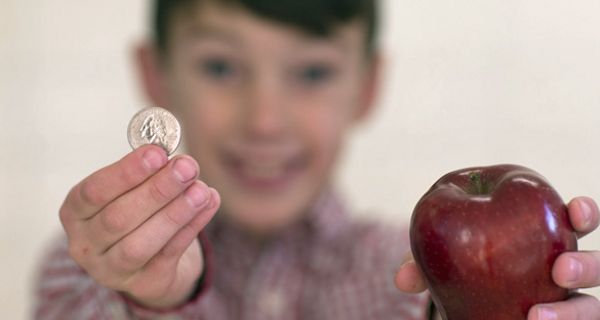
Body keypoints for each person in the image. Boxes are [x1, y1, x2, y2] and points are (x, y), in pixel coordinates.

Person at [34, 0, 600, 319]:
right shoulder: (88, 266)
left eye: (312, 73)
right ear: (156, 73)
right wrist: (156, 297)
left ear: (368, 86)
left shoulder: (410, 282)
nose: (265, 120)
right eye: (221, 68)